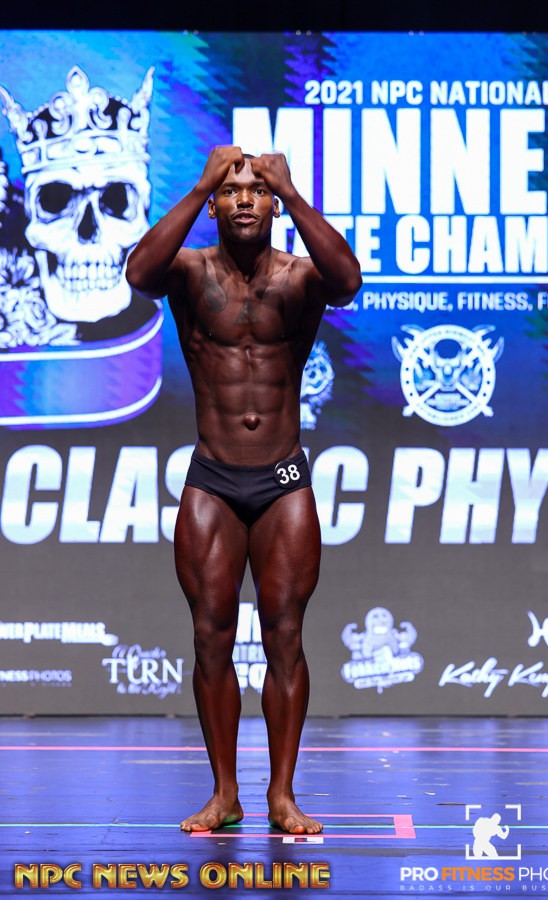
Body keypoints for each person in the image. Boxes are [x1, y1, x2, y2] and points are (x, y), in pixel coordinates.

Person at [126, 145, 362, 835]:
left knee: (285, 637)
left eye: (258, 190)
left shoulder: (299, 277)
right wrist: (200, 181)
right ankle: (225, 793)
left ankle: (281, 795)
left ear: (274, 202)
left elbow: (348, 281)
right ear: (214, 203)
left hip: (283, 481)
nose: (244, 199)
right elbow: (138, 273)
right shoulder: (189, 271)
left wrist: (295, 194)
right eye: (231, 190)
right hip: (214, 480)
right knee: (210, 637)